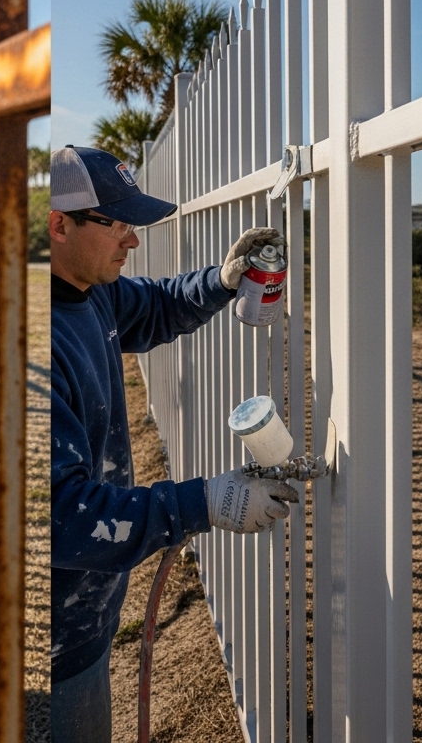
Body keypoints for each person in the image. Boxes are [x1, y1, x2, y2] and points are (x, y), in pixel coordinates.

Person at [50, 145, 299, 742]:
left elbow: (156, 306)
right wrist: (203, 503)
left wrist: (220, 280)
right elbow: (64, 517)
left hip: (88, 615)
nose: (132, 241)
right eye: (118, 224)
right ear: (58, 225)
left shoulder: (92, 291)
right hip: (56, 649)